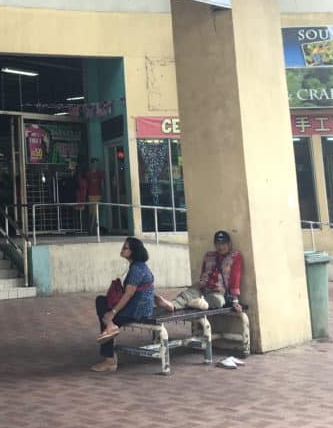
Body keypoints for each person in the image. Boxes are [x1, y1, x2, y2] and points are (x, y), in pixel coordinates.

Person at [91, 236, 154, 373]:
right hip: (137, 307)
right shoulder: (138, 266)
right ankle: (110, 326)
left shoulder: (136, 269)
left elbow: (129, 294)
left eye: (125, 248)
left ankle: (109, 360)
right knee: (102, 303)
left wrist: (112, 313)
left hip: (138, 311)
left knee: (106, 315)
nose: (122, 249)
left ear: (133, 252)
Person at [154, 229, 243, 313]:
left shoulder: (235, 257)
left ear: (229, 244)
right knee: (187, 294)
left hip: (218, 292)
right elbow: (203, 273)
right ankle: (171, 305)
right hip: (202, 288)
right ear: (215, 245)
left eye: (224, 243)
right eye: (218, 243)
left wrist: (235, 300)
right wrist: (200, 284)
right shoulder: (209, 256)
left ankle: (197, 302)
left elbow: (235, 279)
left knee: (218, 301)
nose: (221, 246)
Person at [85, 157, 105, 232]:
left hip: (98, 195)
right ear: (92, 164)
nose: (96, 165)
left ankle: (92, 229)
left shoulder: (100, 173)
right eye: (95, 163)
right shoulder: (88, 173)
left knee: (96, 213)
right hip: (90, 195)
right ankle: (92, 228)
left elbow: (102, 184)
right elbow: (86, 185)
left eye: (97, 163)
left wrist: (103, 194)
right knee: (91, 213)